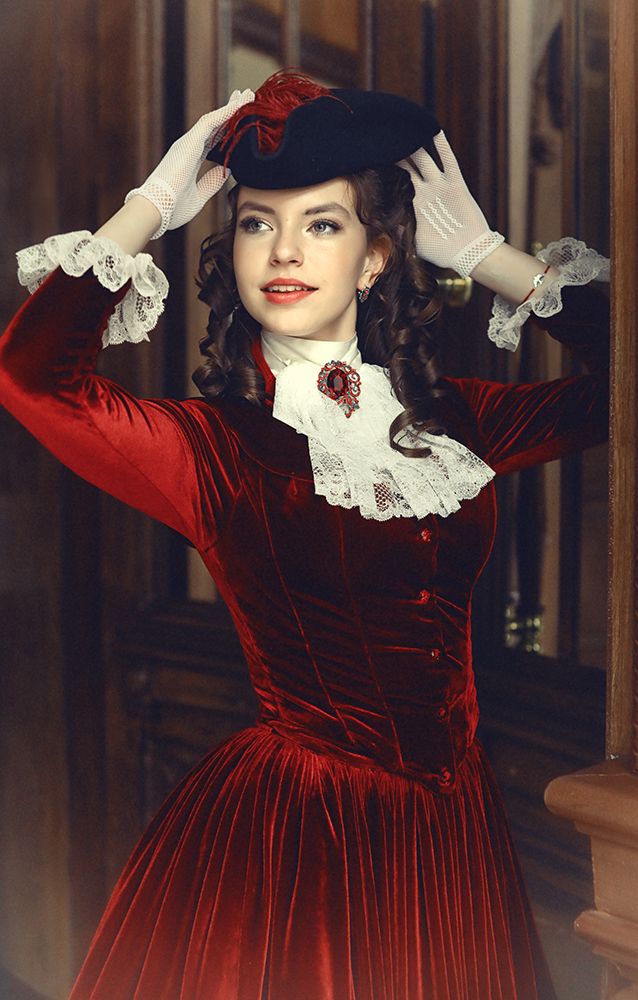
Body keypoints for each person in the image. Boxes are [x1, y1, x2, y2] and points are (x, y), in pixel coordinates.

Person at [0, 71, 609, 1000]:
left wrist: (485, 253)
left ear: (374, 258)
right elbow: (32, 377)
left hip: (453, 839)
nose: (283, 250)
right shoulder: (211, 449)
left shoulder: (453, 420)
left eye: (322, 224)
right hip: (302, 841)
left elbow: (625, 387)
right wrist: (152, 202)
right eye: (257, 223)